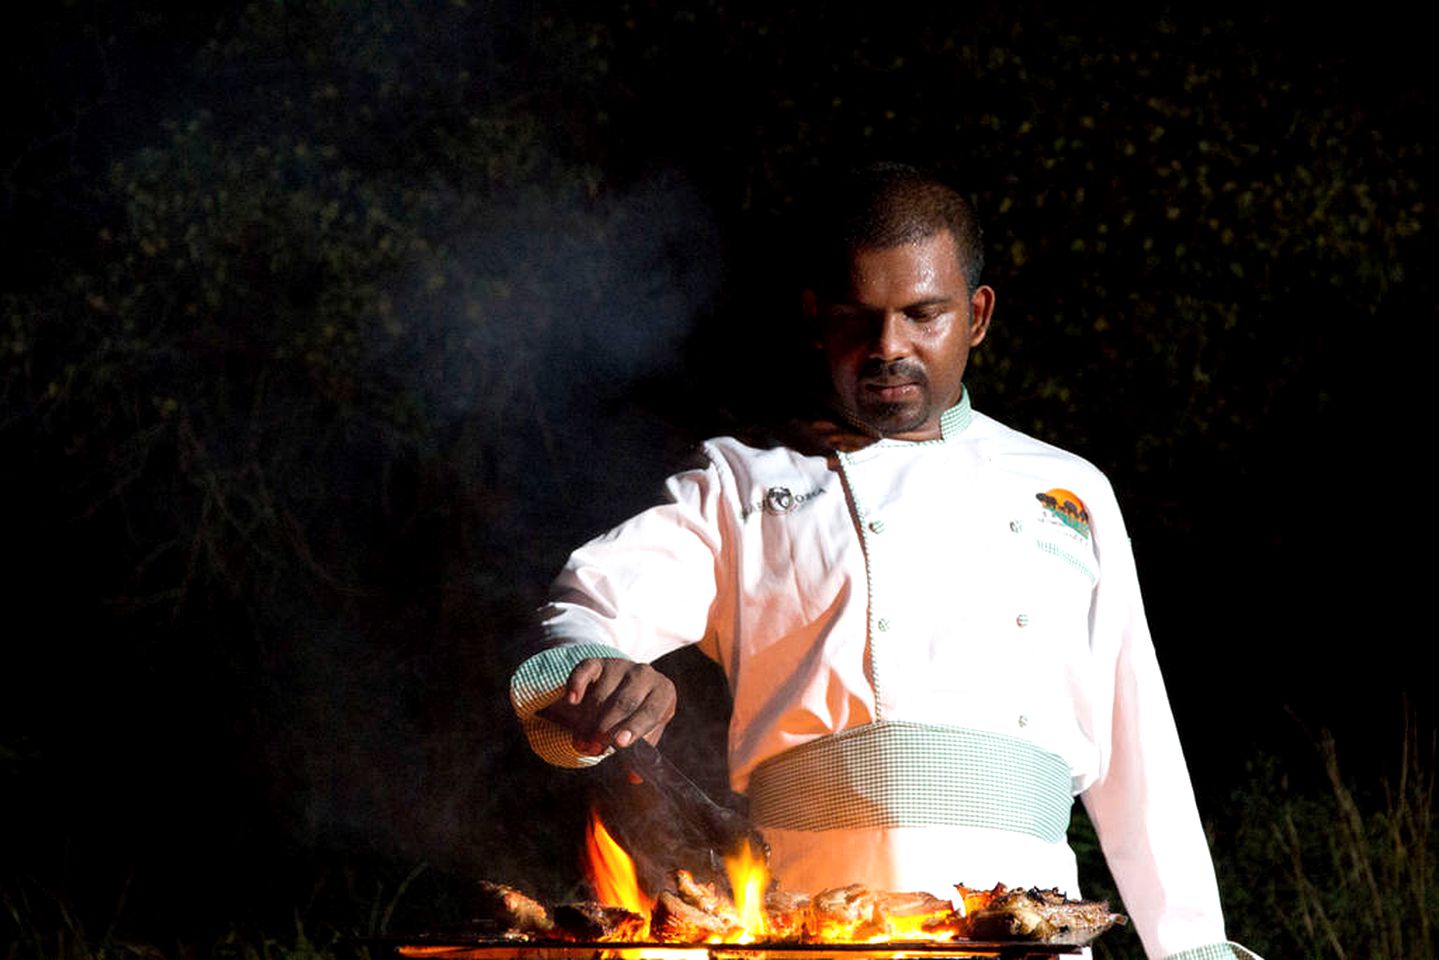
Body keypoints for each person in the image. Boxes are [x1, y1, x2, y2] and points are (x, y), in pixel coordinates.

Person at [510, 164, 1257, 960]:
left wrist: (1192, 946)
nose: (888, 347)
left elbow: (1139, 754)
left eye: (921, 315)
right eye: (858, 319)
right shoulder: (746, 481)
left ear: (976, 316)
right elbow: (585, 608)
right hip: (808, 925)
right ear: (815, 319)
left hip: (1027, 931)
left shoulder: (1067, 489)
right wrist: (597, 673)